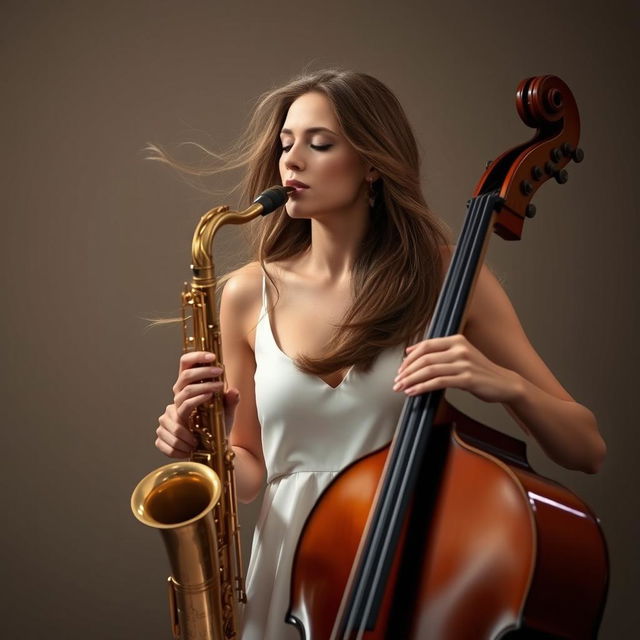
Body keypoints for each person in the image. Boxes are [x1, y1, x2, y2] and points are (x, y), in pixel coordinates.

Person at [152, 69, 606, 640]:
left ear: (372, 163)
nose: (291, 161)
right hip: (292, 584)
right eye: (286, 144)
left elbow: (586, 448)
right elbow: (249, 474)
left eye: (319, 144)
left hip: (408, 574)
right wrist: (202, 442)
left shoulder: (446, 274)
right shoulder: (247, 293)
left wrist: (500, 382)